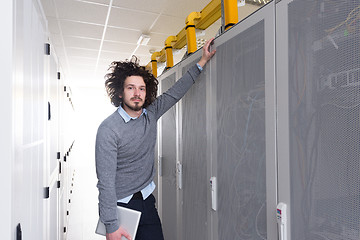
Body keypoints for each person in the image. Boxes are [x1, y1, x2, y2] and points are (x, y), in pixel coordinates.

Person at [95, 38, 216, 240]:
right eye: (130, 88)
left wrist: (202, 61)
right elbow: (105, 182)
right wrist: (111, 225)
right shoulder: (108, 129)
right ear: (120, 92)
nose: (137, 93)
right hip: (121, 206)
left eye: (141, 89)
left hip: (146, 201)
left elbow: (175, 93)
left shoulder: (150, 116)